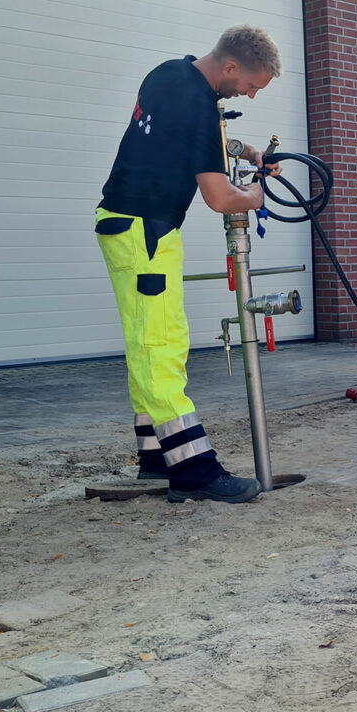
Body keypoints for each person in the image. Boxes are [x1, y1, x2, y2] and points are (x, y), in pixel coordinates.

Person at [95, 26, 282, 504]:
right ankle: (195, 470)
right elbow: (219, 197)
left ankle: (157, 458)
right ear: (231, 67)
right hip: (146, 231)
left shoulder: (170, 73)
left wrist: (245, 151)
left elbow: (187, 140)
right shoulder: (200, 104)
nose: (250, 93)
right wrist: (255, 196)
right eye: (252, 84)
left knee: (148, 342)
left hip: (127, 224)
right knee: (161, 345)